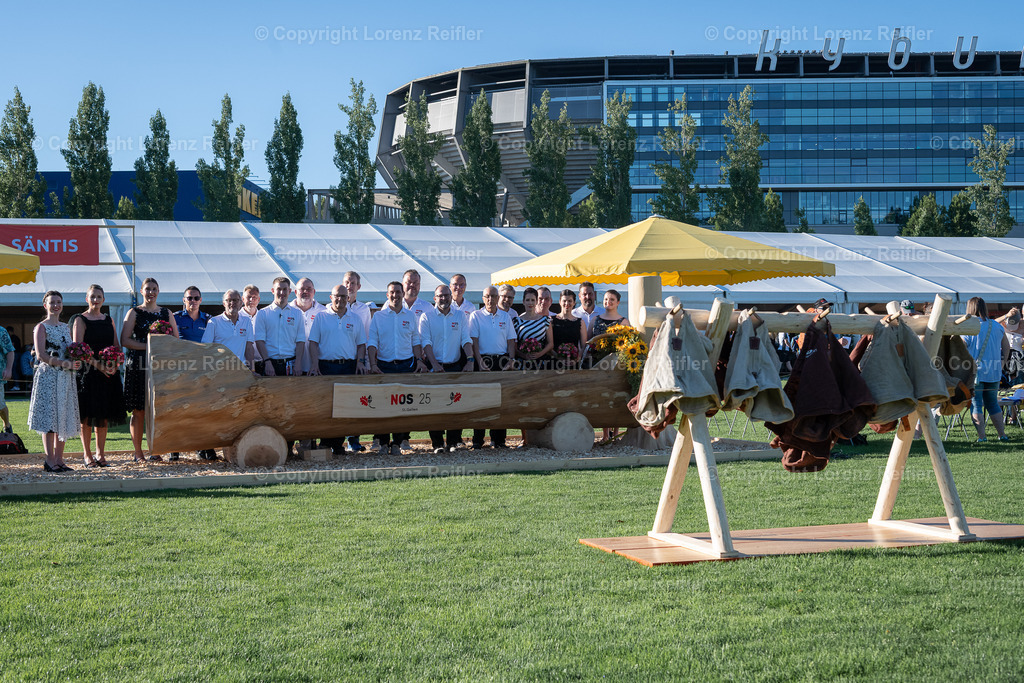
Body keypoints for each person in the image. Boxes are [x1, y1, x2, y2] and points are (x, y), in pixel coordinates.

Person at [121, 278, 178, 462]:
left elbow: (176, 340)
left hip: (160, 366)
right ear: (141, 291)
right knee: (138, 410)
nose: (151, 292)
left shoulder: (166, 312)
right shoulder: (134, 312)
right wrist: (149, 346)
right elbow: (125, 340)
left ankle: (156, 450)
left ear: (158, 291)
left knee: (158, 410)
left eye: (154, 289)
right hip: (138, 364)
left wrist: (162, 348)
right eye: (147, 289)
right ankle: (138, 453)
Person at [368, 281, 429, 455]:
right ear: (387, 295)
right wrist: (372, 364)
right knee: (384, 407)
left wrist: (419, 360)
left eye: (398, 292)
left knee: (403, 407)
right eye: (392, 293)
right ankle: (384, 443)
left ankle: (397, 443)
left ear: (403, 294)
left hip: (405, 366)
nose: (395, 295)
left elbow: (415, 341)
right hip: (384, 367)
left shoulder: (410, 316)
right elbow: (372, 342)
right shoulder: (378, 317)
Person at [308, 284, 368, 453]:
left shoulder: (355, 318)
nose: (340, 299)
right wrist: (314, 364)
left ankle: (338, 444)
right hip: (325, 366)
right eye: (337, 296)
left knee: (344, 408)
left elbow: (361, 345)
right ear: (330, 297)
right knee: (327, 407)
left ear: (348, 298)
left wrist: (361, 363)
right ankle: (325, 443)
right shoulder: (321, 317)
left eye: (343, 296)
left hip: (348, 367)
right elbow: (313, 343)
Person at [72, 284, 126, 467]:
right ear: (86, 299)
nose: (96, 300)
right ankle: (87, 455)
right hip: (88, 373)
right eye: (92, 296)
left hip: (108, 374)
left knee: (103, 415)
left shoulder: (108, 319)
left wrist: (114, 363)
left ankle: (100, 455)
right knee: (87, 416)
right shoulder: (80, 320)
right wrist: (99, 365)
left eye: (99, 296)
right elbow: (77, 349)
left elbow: (116, 345)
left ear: (104, 299)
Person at [28, 291, 82, 473]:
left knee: (63, 416)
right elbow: (41, 355)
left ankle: (60, 459)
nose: (56, 305)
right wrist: (64, 362)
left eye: (58, 302)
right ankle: (50, 460)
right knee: (50, 418)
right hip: (48, 377)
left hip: (65, 377)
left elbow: (71, 349)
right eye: (52, 302)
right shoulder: (41, 327)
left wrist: (77, 359)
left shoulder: (66, 327)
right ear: (45, 305)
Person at [421, 284, 474, 453]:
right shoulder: (426, 317)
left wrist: (471, 359)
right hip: (434, 368)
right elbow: (426, 343)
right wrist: (434, 364)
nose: (443, 298)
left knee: (455, 404)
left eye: (446, 295)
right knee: (433, 405)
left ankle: (452, 443)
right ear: (434, 298)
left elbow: (466, 340)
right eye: (440, 295)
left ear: (451, 297)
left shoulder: (460, 316)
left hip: (454, 366)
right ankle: (437, 444)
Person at [469, 286, 516, 449]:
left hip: (502, 361)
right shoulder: (475, 316)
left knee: (500, 402)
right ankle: (478, 440)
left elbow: (511, 340)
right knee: (480, 402)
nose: (490, 299)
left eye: (493, 296)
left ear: (498, 298)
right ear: (483, 298)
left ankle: (499, 440)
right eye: (487, 296)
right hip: (483, 361)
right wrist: (479, 360)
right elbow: (473, 340)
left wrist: (511, 359)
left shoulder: (506, 316)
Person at [172, 286, 213, 460]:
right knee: (179, 411)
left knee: (202, 411)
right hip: (181, 372)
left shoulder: (209, 320)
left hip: (202, 372)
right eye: (189, 298)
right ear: (184, 300)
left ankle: (202, 447)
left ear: (201, 300)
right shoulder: (174, 318)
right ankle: (175, 449)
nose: (193, 301)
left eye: (196, 298)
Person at [963, 296, 1010, 442]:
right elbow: (1006, 346)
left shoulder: (969, 327)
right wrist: (1002, 363)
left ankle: (982, 437)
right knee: (992, 403)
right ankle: (1002, 434)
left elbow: (962, 348)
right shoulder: (996, 326)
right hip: (994, 371)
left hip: (975, 372)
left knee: (976, 404)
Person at [341, 271, 375, 452]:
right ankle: (336, 443)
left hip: (358, 361)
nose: (349, 286)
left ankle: (354, 440)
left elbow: (367, 337)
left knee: (356, 402)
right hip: (340, 360)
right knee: (340, 401)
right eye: (347, 282)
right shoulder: (330, 308)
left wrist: (367, 363)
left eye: (353, 283)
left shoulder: (363, 310)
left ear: (358, 286)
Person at [254, 277, 305, 377]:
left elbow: (300, 341)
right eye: (278, 289)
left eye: (285, 289)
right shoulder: (263, 313)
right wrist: (267, 362)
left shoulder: (297, 314)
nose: (282, 292)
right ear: (273, 291)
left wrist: (298, 363)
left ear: (289, 291)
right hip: (270, 364)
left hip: (291, 364)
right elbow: (259, 341)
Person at [202, 289, 256, 369]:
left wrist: (253, 370)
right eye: (229, 300)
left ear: (241, 303)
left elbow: (249, 348)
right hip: (220, 371)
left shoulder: (246, 321)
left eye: (235, 300)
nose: (232, 303)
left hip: (241, 370)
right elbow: (206, 348)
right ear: (224, 303)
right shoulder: (213, 322)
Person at [290, 277, 327, 376]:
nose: (305, 291)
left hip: (318, 367)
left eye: (309, 289)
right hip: (293, 367)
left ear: (314, 292)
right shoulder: (287, 311)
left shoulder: (324, 312)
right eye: (302, 289)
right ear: (295, 292)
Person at [512, 287, 553, 370]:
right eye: (527, 300)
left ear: (537, 302)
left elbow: (550, 344)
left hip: (541, 363)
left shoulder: (546, 320)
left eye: (533, 300)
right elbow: (513, 345)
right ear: (523, 302)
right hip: (522, 363)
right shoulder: (516, 321)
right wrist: (524, 355)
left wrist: (539, 354)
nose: (530, 303)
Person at [552, 289, 588, 368]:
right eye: (564, 301)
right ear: (559, 302)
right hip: (554, 363)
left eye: (570, 301)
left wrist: (577, 358)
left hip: (574, 363)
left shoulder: (580, 323)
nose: (567, 303)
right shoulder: (551, 320)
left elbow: (584, 346)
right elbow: (549, 344)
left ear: (574, 303)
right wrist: (559, 358)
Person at [240, 284, 264, 375]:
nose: (251, 300)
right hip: (243, 364)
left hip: (262, 363)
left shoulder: (264, 316)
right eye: (248, 297)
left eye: (254, 297)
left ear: (259, 300)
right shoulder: (237, 317)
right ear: (243, 299)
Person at [0, 324, 13, 433]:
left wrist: (8, 369)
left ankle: (7, 425)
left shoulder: (1, 331)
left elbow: (10, 350)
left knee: (0, 405)